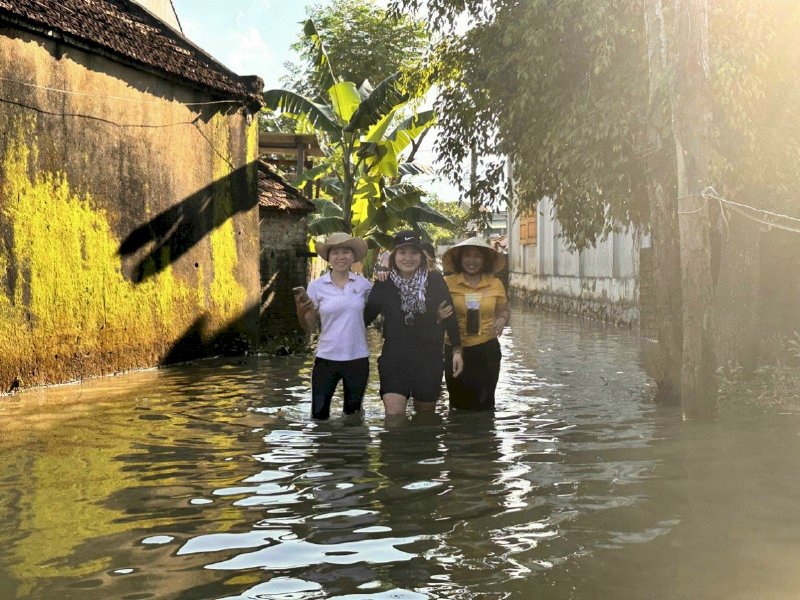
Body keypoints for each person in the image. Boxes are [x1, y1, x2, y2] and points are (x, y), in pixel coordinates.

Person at [364, 230, 464, 419]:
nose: (408, 258)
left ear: (421, 256)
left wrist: (457, 350)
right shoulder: (384, 283)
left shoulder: (434, 280)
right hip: (395, 359)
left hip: (428, 358)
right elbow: (365, 318)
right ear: (394, 256)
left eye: (413, 252)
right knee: (393, 417)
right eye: (402, 252)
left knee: (425, 419)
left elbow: (449, 316)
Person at [295, 232, 372, 420]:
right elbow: (309, 328)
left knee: (353, 416)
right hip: (326, 358)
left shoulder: (365, 286)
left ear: (353, 257)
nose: (341, 257)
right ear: (328, 258)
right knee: (319, 415)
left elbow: (381, 311)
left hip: (357, 358)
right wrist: (300, 311)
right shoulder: (316, 286)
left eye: (346, 252)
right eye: (335, 253)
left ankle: (351, 448)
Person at [442, 237, 510, 410]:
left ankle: (485, 437)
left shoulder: (495, 284)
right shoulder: (447, 283)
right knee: (457, 404)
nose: (471, 261)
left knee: (485, 404)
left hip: (486, 349)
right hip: (455, 348)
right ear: (460, 259)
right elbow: (433, 312)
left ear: (485, 260)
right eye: (467, 256)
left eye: (477, 256)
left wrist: (501, 320)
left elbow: (503, 310)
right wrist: (437, 314)